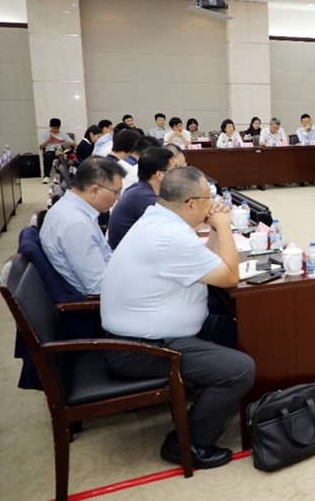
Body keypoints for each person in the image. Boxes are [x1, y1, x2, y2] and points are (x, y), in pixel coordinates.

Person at [100, 167, 255, 470]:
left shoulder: (159, 219)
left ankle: (252, 405)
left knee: (244, 330)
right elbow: (229, 276)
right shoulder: (169, 237)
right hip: (141, 348)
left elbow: (211, 263)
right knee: (240, 369)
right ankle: (187, 443)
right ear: (191, 203)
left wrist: (213, 230)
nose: (213, 205)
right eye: (209, 199)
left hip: (148, 333)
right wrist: (223, 226)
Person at [40, 157, 125, 297]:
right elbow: (99, 287)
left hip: (108, 278)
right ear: (94, 190)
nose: (118, 198)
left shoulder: (71, 208)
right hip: (99, 302)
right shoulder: (77, 225)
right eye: (116, 192)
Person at [107, 147, 175, 249]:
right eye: (174, 170)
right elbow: (171, 230)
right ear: (160, 174)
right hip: (127, 255)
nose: (178, 175)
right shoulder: (144, 198)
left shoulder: (139, 189)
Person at [39, 117, 76, 184]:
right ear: (50, 126)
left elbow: (75, 144)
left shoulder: (63, 135)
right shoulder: (45, 135)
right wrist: (48, 141)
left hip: (61, 151)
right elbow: (41, 147)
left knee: (67, 155)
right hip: (50, 151)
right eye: (54, 128)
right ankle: (46, 176)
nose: (56, 130)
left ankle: (67, 174)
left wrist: (66, 142)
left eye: (57, 128)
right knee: (48, 155)